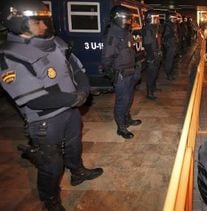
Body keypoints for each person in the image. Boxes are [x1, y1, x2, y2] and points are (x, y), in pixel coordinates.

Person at [0, 1, 103, 210]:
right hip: (45, 120)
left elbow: (77, 69)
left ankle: (78, 172)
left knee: (74, 147)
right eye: (37, 22)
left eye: (45, 20)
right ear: (19, 24)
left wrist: (82, 91)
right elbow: (35, 99)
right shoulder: (10, 56)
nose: (44, 26)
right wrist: (75, 98)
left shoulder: (56, 42)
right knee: (51, 165)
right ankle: (51, 200)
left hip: (70, 109)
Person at [102, 5, 142, 139]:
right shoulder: (112, 36)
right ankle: (121, 127)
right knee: (122, 101)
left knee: (129, 98)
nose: (128, 22)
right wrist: (113, 74)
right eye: (125, 19)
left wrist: (136, 65)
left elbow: (130, 52)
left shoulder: (126, 33)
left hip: (130, 72)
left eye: (129, 19)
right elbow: (107, 59)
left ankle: (127, 118)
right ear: (117, 19)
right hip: (121, 74)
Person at [142, 12, 160, 100]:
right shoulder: (147, 29)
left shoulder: (153, 28)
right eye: (155, 18)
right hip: (151, 55)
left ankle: (153, 87)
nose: (157, 20)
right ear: (150, 18)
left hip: (155, 53)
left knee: (155, 72)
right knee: (151, 74)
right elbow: (147, 44)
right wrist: (151, 57)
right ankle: (149, 93)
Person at [162, 13, 178, 81]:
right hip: (170, 45)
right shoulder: (168, 25)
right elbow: (166, 36)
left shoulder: (171, 25)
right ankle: (168, 74)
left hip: (172, 44)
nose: (175, 20)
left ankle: (170, 72)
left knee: (171, 60)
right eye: (174, 18)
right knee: (169, 60)